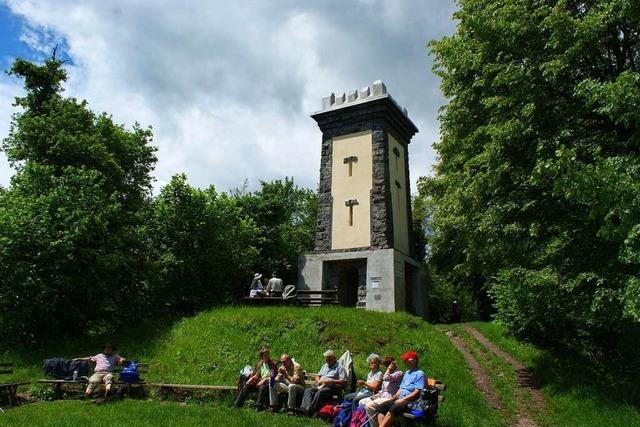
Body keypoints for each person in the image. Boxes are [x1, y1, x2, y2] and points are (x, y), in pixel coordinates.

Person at [369, 351, 425, 427]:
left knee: (392, 409)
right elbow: (401, 388)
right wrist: (395, 396)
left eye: (406, 359)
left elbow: (417, 393)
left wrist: (403, 400)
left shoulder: (419, 374)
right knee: (381, 408)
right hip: (400, 399)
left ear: (413, 361)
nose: (404, 361)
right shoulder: (407, 372)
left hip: (410, 402)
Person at [300, 349, 347, 417]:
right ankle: (304, 409)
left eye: (329, 360)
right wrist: (319, 381)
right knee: (308, 390)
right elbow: (318, 376)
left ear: (334, 358)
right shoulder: (325, 366)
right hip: (321, 386)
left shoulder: (340, 367)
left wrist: (332, 381)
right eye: (326, 360)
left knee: (321, 392)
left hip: (332, 388)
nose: (327, 361)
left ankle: (311, 410)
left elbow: (344, 381)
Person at [361, 356, 404, 427]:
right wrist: (375, 396)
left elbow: (386, 378)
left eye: (387, 365)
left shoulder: (398, 373)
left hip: (390, 398)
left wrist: (389, 369)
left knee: (369, 406)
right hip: (382, 397)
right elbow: (383, 390)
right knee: (362, 402)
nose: (386, 367)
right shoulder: (387, 373)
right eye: (385, 366)